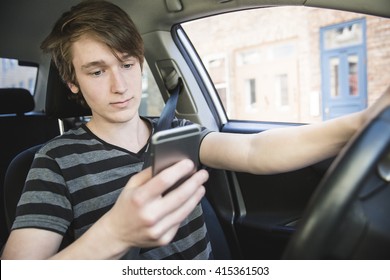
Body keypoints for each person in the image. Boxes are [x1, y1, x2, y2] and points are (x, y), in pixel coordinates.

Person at [1, 0, 389, 260]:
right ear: (73, 83)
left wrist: (361, 122)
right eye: (97, 71)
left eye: (128, 65)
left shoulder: (175, 135)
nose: (120, 86)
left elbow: (256, 152)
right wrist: (114, 234)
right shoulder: (52, 162)